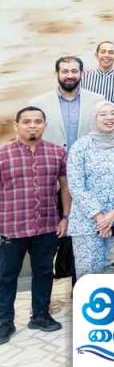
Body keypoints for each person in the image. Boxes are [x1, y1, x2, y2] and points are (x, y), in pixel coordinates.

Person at [0, 107, 70, 343]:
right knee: (6, 276)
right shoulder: (3, 155)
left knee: (44, 272)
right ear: (16, 125)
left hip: (47, 225)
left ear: (44, 125)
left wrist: (65, 217)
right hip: (11, 226)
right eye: (27, 121)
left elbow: (65, 186)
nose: (33, 125)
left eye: (38, 121)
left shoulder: (56, 153)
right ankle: (4, 322)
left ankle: (40, 315)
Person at [67, 101, 114, 278]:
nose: (109, 118)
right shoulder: (81, 146)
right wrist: (99, 217)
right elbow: (76, 185)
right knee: (89, 275)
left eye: (113, 113)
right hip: (87, 222)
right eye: (103, 114)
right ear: (94, 118)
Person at [30, 56, 106, 148]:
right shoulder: (38, 104)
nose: (70, 76)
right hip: (51, 156)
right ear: (57, 73)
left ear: (81, 73)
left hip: (88, 155)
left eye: (74, 71)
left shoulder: (97, 101)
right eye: (65, 71)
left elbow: (104, 133)